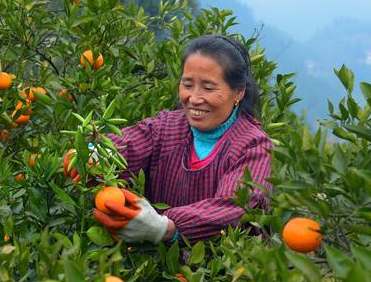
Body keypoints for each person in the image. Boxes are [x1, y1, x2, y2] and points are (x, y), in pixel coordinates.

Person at [91, 34, 274, 245]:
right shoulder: (167, 127)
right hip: (159, 271)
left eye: (208, 88)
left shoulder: (254, 146)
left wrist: (166, 227)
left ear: (239, 92)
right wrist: (93, 153)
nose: (194, 98)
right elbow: (129, 144)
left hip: (225, 273)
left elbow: (233, 207)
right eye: (187, 85)